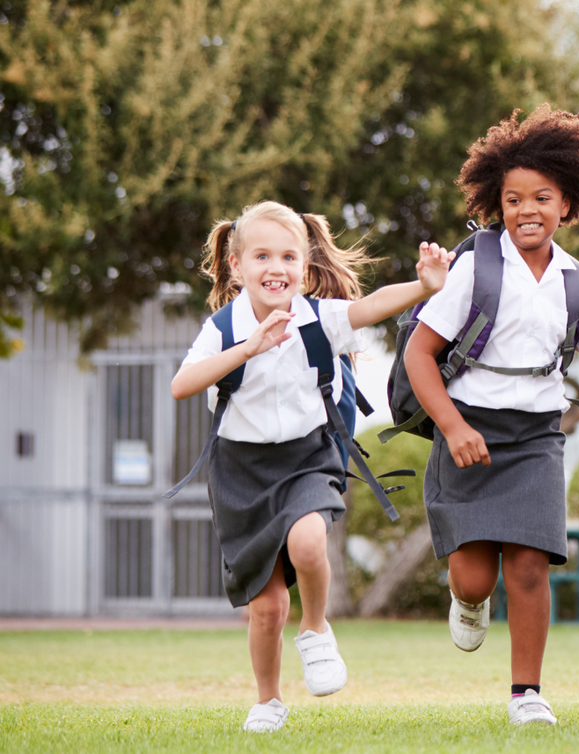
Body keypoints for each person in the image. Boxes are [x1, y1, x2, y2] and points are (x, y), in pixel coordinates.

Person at [404, 105, 579, 726]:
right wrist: (454, 427)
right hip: (468, 429)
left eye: (542, 197)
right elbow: (418, 353)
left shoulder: (578, 283)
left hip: (537, 435)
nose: (527, 210)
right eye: (514, 199)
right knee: (472, 576)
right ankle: (468, 603)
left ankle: (526, 694)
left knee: (529, 563)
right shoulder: (476, 266)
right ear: (498, 203)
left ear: (567, 203)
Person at [170, 201, 451, 732]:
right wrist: (249, 348)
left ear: (304, 265)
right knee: (268, 606)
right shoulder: (223, 328)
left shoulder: (320, 318)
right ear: (236, 265)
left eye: (288, 257)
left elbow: (371, 307)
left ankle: (317, 627)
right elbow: (182, 384)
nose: (275, 268)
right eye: (261, 256)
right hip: (241, 472)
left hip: (308, 456)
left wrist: (424, 287)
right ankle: (268, 700)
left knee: (307, 544)